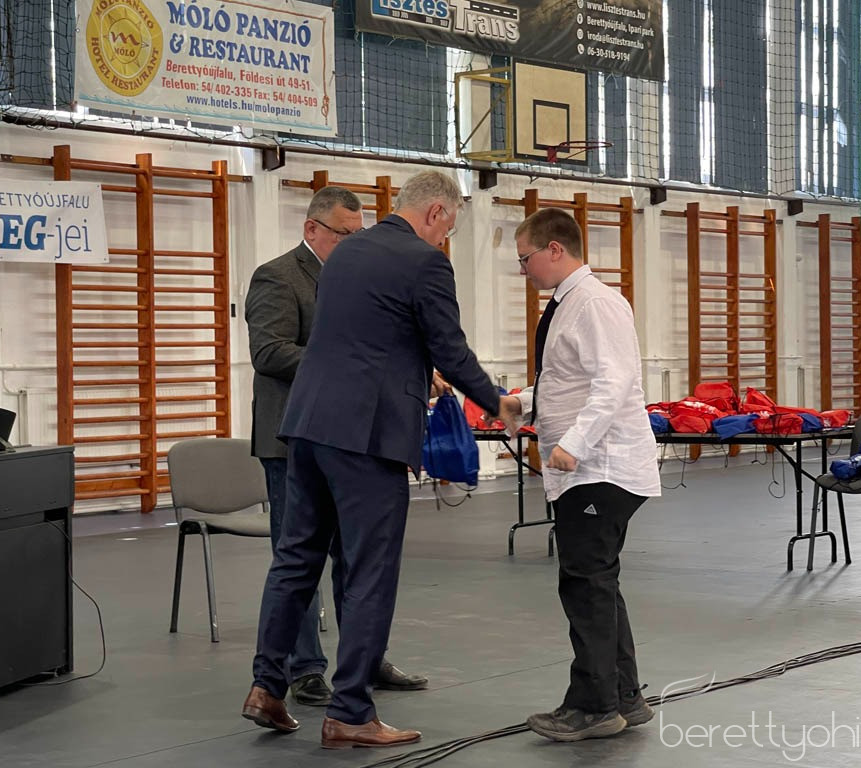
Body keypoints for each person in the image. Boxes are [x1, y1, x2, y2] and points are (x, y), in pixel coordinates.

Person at [242, 171, 516, 748]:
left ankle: (266, 687)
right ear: (437, 212)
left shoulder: (346, 253)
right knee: (370, 569)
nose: (444, 241)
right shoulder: (425, 261)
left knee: (295, 560)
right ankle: (350, 711)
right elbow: (449, 347)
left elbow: (360, 338)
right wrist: (497, 402)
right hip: (366, 434)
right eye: (448, 229)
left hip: (307, 426)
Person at [244, 186, 428, 708]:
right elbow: (269, 352)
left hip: (350, 439)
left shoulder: (355, 280)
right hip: (292, 438)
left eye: (358, 233)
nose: (353, 242)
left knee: (356, 558)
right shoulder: (278, 277)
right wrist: (347, 362)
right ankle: (303, 668)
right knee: (298, 560)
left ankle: (363, 659)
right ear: (312, 229)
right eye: (344, 234)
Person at [502, 208, 661, 742]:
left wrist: (573, 443)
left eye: (525, 258)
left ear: (554, 249)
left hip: (600, 467)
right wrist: (523, 401)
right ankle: (624, 696)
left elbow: (614, 382)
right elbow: (567, 379)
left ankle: (594, 706)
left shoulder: (594, 303)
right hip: (590, 467)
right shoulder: (568, 304)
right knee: (598, 581)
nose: (523, 269)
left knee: (586, 583)